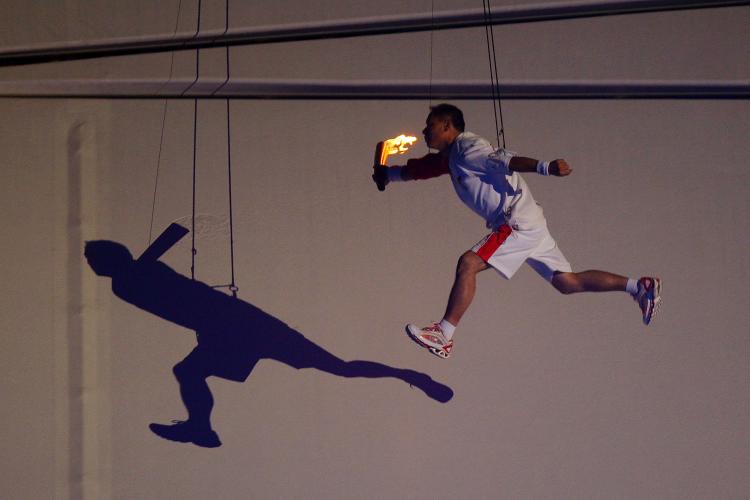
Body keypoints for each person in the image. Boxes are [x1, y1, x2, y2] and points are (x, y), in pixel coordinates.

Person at [372, 103, 661, 360]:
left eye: (430, 125)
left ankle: (443, 335)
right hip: (529, 219)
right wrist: (388, 175)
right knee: (567, 282)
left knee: (468, 263)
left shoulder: (466, 147)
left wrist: (546, 167)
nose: (424, 131)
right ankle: (639, 287)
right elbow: (420, 169)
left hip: (515, 222)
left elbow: (504, 160)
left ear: (447, 126)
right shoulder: (450, 157)